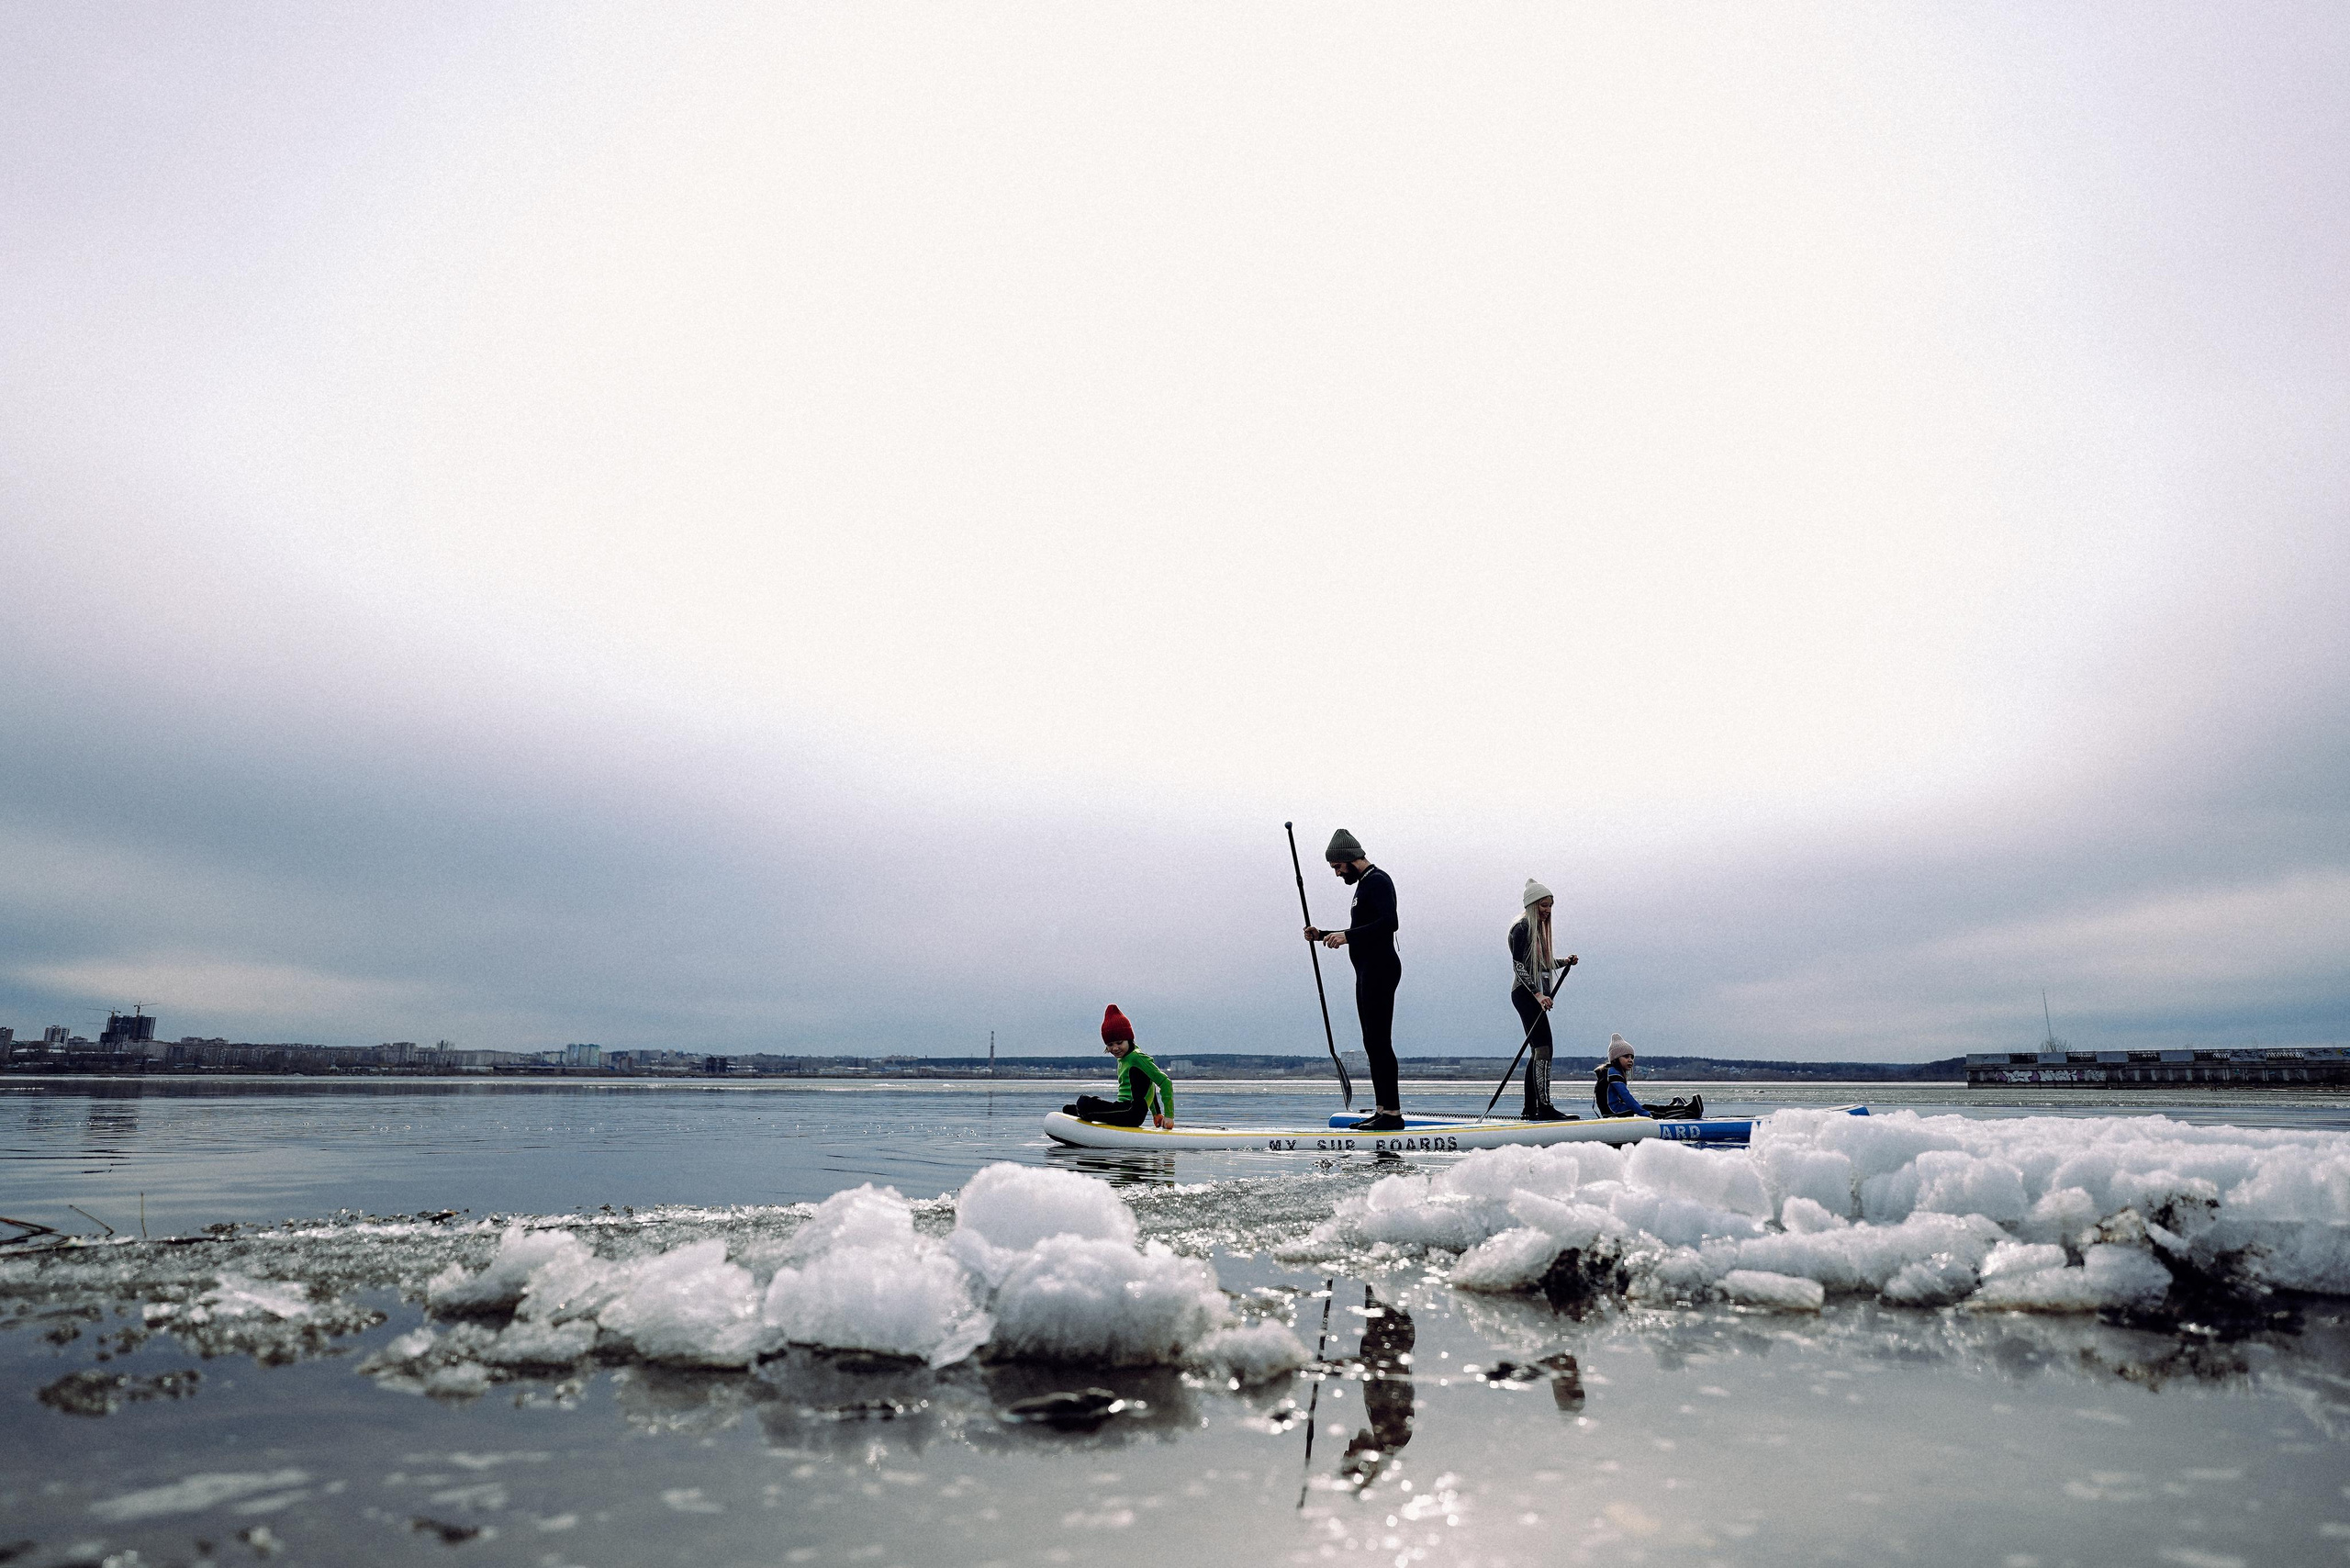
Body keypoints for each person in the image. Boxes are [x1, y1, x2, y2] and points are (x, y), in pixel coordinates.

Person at [1304, 827, 1405, 1132]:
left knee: (1380, 1042)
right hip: (1367, 971)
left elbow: (1389, 923)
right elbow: (1364, 928)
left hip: (1380, 969)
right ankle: (1382, 1110)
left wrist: (1346, 936)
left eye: (1337, 866)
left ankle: (1392, 1114)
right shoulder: (1363, 885)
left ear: (1350, 858)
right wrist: (1322, 935)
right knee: (1371, 1042)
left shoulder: (1378, 881)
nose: (1337, 873)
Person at [1507, 879, 1578, 1120]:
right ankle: (1544, 1107)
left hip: (1533, 996)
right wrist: (1538, 995)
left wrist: (1565, 962)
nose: (1547, 910)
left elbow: (1543, 964)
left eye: (1550, 906)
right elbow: (1519, 966)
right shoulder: (1521, 928)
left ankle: (1530, 1109)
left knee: (1538, 1050)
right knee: (1544, 1049)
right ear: (1532, 905)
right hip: (1525, 995)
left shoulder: (1537, 931)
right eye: (1543, 905)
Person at [1062, 1005, 1175, 1128]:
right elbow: (1149, 1085)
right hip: (1123, 1108)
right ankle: (1084, 1112)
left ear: (1129, 1039)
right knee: (1078, 1105)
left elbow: (1165, 1082)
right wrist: (1156, 1113)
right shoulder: (1123, 1058)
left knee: (1084, 1102)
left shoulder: (1137, 1057)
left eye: (1119, 1043)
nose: (1115, 1048)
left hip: (1131, 1113)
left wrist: (1169, 1116)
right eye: (1110, 1045)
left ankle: (1084, 1112)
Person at [1593, 1033, 1702, 1120]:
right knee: (1650, 1110)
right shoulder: (1613, 1073)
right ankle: (1689, 1111)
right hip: (1614, 1112)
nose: (1630, 1060)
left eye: (1632, 1057)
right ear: (1615, 1059)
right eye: (1626, 1057)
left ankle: (1678, 1108)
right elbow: (1626, 1096)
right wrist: (1644, 1113)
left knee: (1649, 1108)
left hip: (1610, 1112)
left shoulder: (1608, 1072)